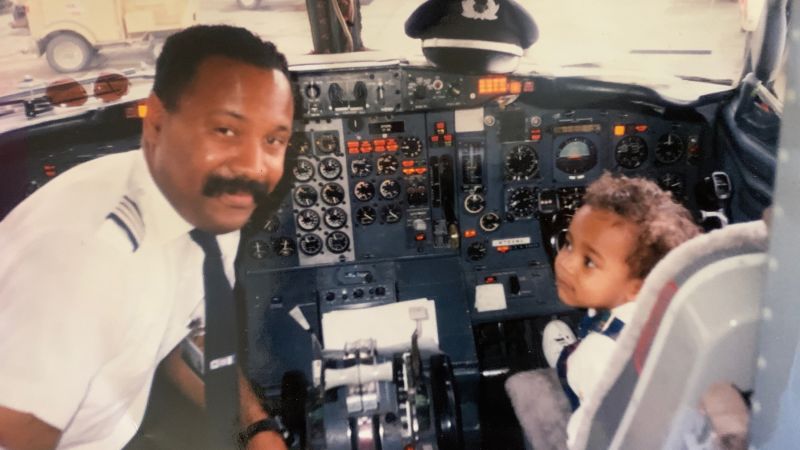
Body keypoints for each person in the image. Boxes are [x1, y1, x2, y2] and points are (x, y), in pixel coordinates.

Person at [0, 25, 294, 449]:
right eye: (225, 131)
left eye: (273, 139)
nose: (253, 165)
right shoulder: (83, 256)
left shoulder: (208, 206)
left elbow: (185, 333)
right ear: (156, 121)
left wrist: (255, 429)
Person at [542, 172, 701, 446]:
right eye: (569, 244)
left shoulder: (597, 354)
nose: (565, 262)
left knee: (575, 371)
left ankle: (564, 359)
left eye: (589, 262)